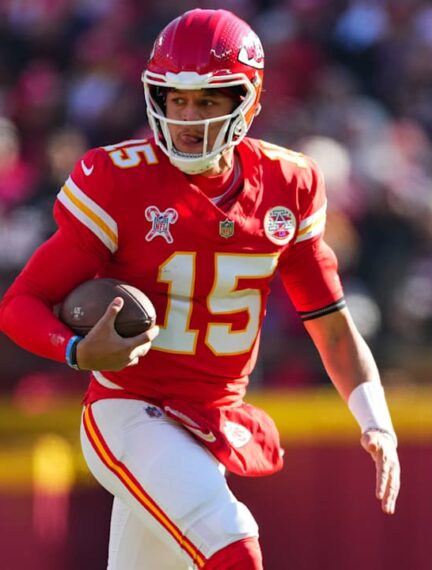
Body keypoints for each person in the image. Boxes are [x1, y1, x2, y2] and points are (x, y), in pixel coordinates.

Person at [0, 9, 400, 570]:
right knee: (234, 544)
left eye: (208, 100)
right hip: (130, 410)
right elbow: (20, 303)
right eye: (175, 99)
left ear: (248, 100)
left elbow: (330, 322)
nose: (188, 117)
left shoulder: (289, 183)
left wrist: (376, 421)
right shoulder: (119, 180)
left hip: (209, 424)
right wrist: (74, 350)